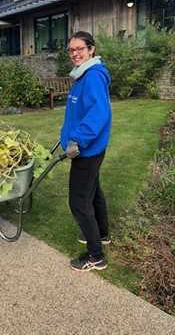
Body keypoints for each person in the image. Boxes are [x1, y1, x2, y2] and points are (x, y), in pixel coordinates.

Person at [60, 31, 112, 272]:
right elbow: (79, 112)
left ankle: (95, 255)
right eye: (71, 50)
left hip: (86, 150)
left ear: (91, 49)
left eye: (80, 49)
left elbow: (98, 114)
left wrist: (77, 140)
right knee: (94, 193)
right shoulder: (82, 75)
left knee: (79, 203)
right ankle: (102, 234)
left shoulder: (92, 77)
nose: (75, 54)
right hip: (87, 147)